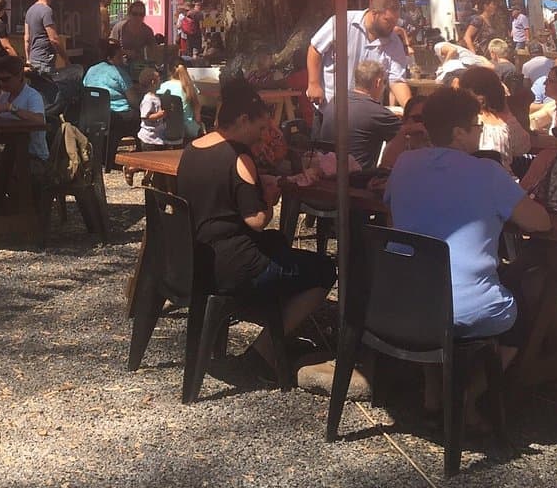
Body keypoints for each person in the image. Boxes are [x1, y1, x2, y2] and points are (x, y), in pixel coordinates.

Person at [385, 87, 550, 425]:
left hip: (401, 303)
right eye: (476, 127)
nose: (479, 132)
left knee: (436, 289)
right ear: (459, 133)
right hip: (458, 310)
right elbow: (539, 221)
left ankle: (433, 392)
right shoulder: (488, 173)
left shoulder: (404, 163)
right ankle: (468, 394)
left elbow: (392, 217)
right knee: (529, 301)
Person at [175, 74, 336, 378]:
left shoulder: (193, 148)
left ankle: (276, 332)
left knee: (279, 245)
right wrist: (270, 198)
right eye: (261, 128)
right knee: (324, 269)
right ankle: (264, 351)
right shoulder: (239, 156)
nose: (263, 136)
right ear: (244, 120)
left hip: (198, 258)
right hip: (234, 267)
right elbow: (257, 221)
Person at [306, 0, 411, 113]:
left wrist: (410, 110)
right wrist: (313, 84)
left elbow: (397, 80)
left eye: (395, 21)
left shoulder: (394, 42)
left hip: (366, 114)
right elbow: (315, 48)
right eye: (388, 21)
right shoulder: (342, 22)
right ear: (374, 14)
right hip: (330, 108)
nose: (392, 26)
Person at [0, 58, 49, 213]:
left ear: (19, 75)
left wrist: (11, 108)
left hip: (33, 157)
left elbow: (39, 120)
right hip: (10, 154)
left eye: (6, 79)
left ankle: (20, 209)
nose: (2, 84)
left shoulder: (32, 96)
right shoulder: (4, 96)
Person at [317, 60, 400, 171]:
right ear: (378, 82)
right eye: (385, 82)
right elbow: (404, 137)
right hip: (358, 179)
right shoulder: (378, 114)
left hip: (324, 172)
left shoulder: (335, 101)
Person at [459, 65, 532, 168]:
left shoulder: (461, 121)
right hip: (502, 179)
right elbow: (523, 147)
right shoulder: (505, 122)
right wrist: (505, 107)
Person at [84, 40, 139, 169]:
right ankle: (140, 157)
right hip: (118, 115)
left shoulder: (91, 70)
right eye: (119, 56)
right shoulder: (119, 73)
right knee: (141, 118)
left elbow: (84, 88)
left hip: (94, 114)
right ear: (110, 58)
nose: (123, 59)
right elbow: (133, 101)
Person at [24, 0, 66, 76]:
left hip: (33, 59)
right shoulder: (47, 11)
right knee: (47, 89)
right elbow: (54, 39)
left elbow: (26, 38)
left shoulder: (30, 11)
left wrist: (28, 58)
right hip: (44, 60)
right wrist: (65, 59)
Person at [380, 96, 430, 170]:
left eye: (429, 119)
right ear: (404, 120)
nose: (422, 124)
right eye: (418, 118)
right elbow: (385, 170)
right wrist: (403, 131)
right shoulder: (398, 145)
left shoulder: (439, 149)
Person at [159, 60, 203, 141]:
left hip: (167, 128)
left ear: (169, 71)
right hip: (187, 129)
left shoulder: (163, 86)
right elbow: (197, 109)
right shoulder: (190, 87)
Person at [137, 66, 167, 150]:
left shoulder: (156, 97)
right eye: (159, 79)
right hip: (149, 139)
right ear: (153, 82)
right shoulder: (148, 99)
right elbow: (145, 116)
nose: (161, 81)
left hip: (157, 137)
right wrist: (158, 115)